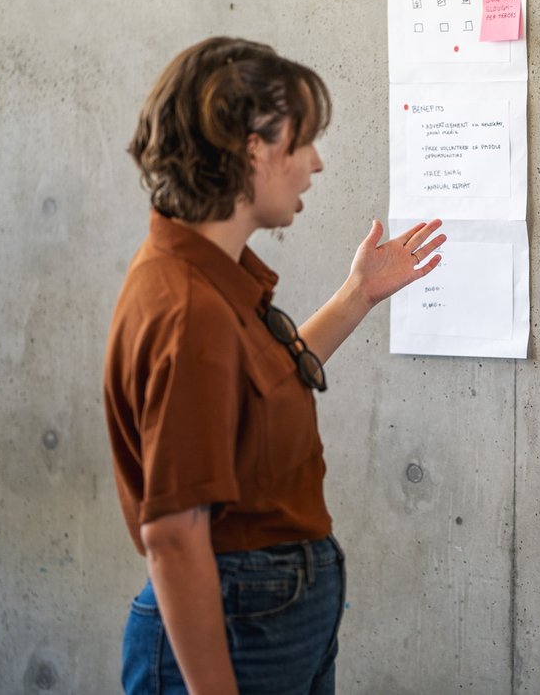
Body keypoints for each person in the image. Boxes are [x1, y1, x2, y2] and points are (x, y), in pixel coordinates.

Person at [103, 36, 445, 694]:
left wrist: (358, 296)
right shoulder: (187, 307)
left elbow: (266, 386)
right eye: (302, 141)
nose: (315, 164)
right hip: (239, 623)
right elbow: (175, 534)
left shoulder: (212, 283)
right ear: (251, 146)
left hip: (272, 617)